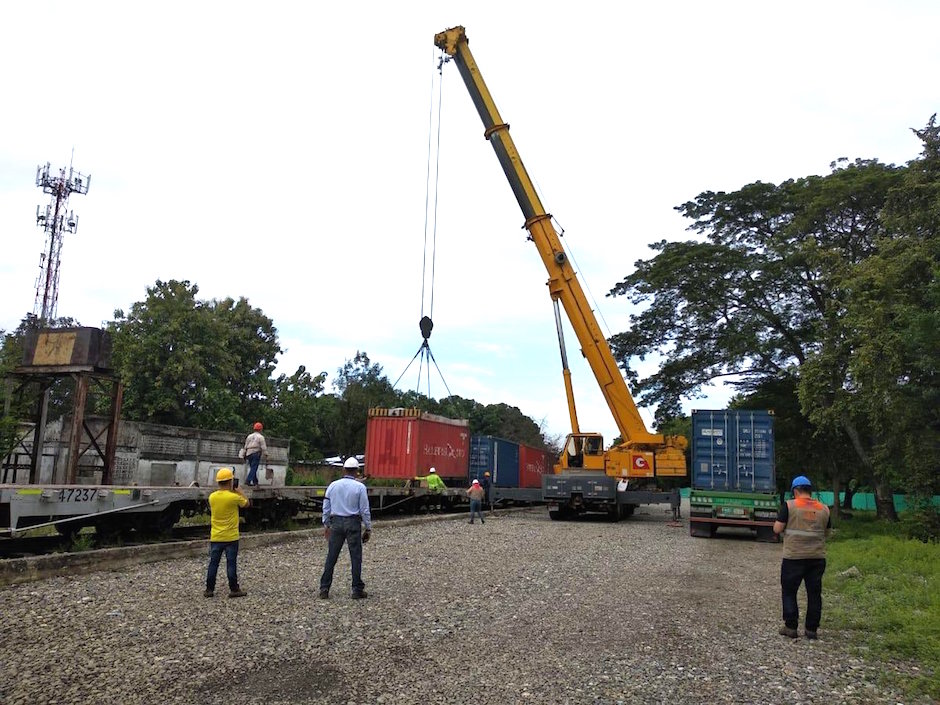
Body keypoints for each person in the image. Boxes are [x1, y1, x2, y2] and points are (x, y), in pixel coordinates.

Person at [773, 475, 831, 639]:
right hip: (817, 557)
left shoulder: (790, 506)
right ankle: (811, 630)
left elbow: (777, 529)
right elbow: (827, 533)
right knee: (814, 593)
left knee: (790, 591)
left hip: (794, 557)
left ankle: (791, 627)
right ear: (809, 490)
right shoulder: (824, 509)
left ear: (795, 490)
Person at [319, 456, 372, 599]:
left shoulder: (333, 485)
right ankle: (356, 589)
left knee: (332, 556)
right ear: (357, 471)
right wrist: (368, 528)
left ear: (344, 470)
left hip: (336, 523)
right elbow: (364, 510)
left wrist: (326, 524)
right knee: (355, 557)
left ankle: (324, 588)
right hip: (353, 523)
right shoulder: (360, 487)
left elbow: (326, 506)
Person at [205, 467, 249, 598]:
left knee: (213, 563)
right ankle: (234, 589)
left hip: (216, 537)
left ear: (218, 482)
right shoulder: (233, 497)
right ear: (230, 482)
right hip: (231, 537)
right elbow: (246, 504)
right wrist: (240, 491)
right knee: (231, 563)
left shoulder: (212, 497)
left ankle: (209, 589)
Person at [243, 422, 267, 487]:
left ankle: (255, 482)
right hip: (256, 453)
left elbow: (245, 446)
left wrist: (244, 453)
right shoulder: (261, 437)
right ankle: (248, 480)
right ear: (260, 429)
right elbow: (263, 447)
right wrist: (266, 454)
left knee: (252, 467)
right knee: (254, 468)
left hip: (249, 453)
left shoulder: (249, 436)